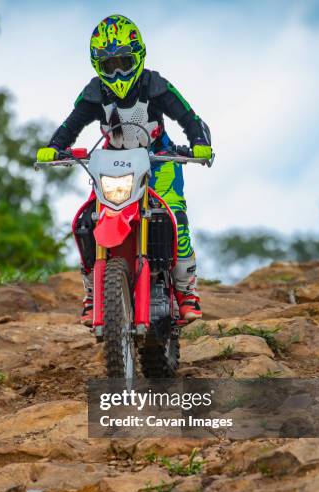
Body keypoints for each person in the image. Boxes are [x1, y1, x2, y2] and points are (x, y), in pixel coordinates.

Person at [37, 14, 212, 325]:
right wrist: (54, 147)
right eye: (108, 65)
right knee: (88, 220)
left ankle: (186, 291)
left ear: (139, 56)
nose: (117, 72)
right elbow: (70, 126)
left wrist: (198, 141)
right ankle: (93, 292)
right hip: (112, 163)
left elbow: (188, 116)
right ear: (97, 67)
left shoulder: (155, 85)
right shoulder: (94, 93)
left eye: (124, 62)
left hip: (160, 160)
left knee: (176, 216)